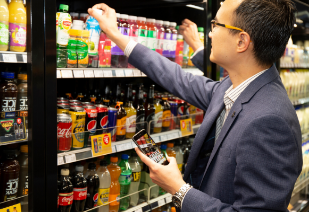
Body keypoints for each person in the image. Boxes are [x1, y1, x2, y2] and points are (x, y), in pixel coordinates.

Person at [88, 0, 302, 211]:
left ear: (241, 41)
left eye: (216, 25)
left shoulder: (270, 121)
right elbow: (178, 78)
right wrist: (115, 34)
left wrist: (179, 189)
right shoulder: (234, 87)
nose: (209, 34)